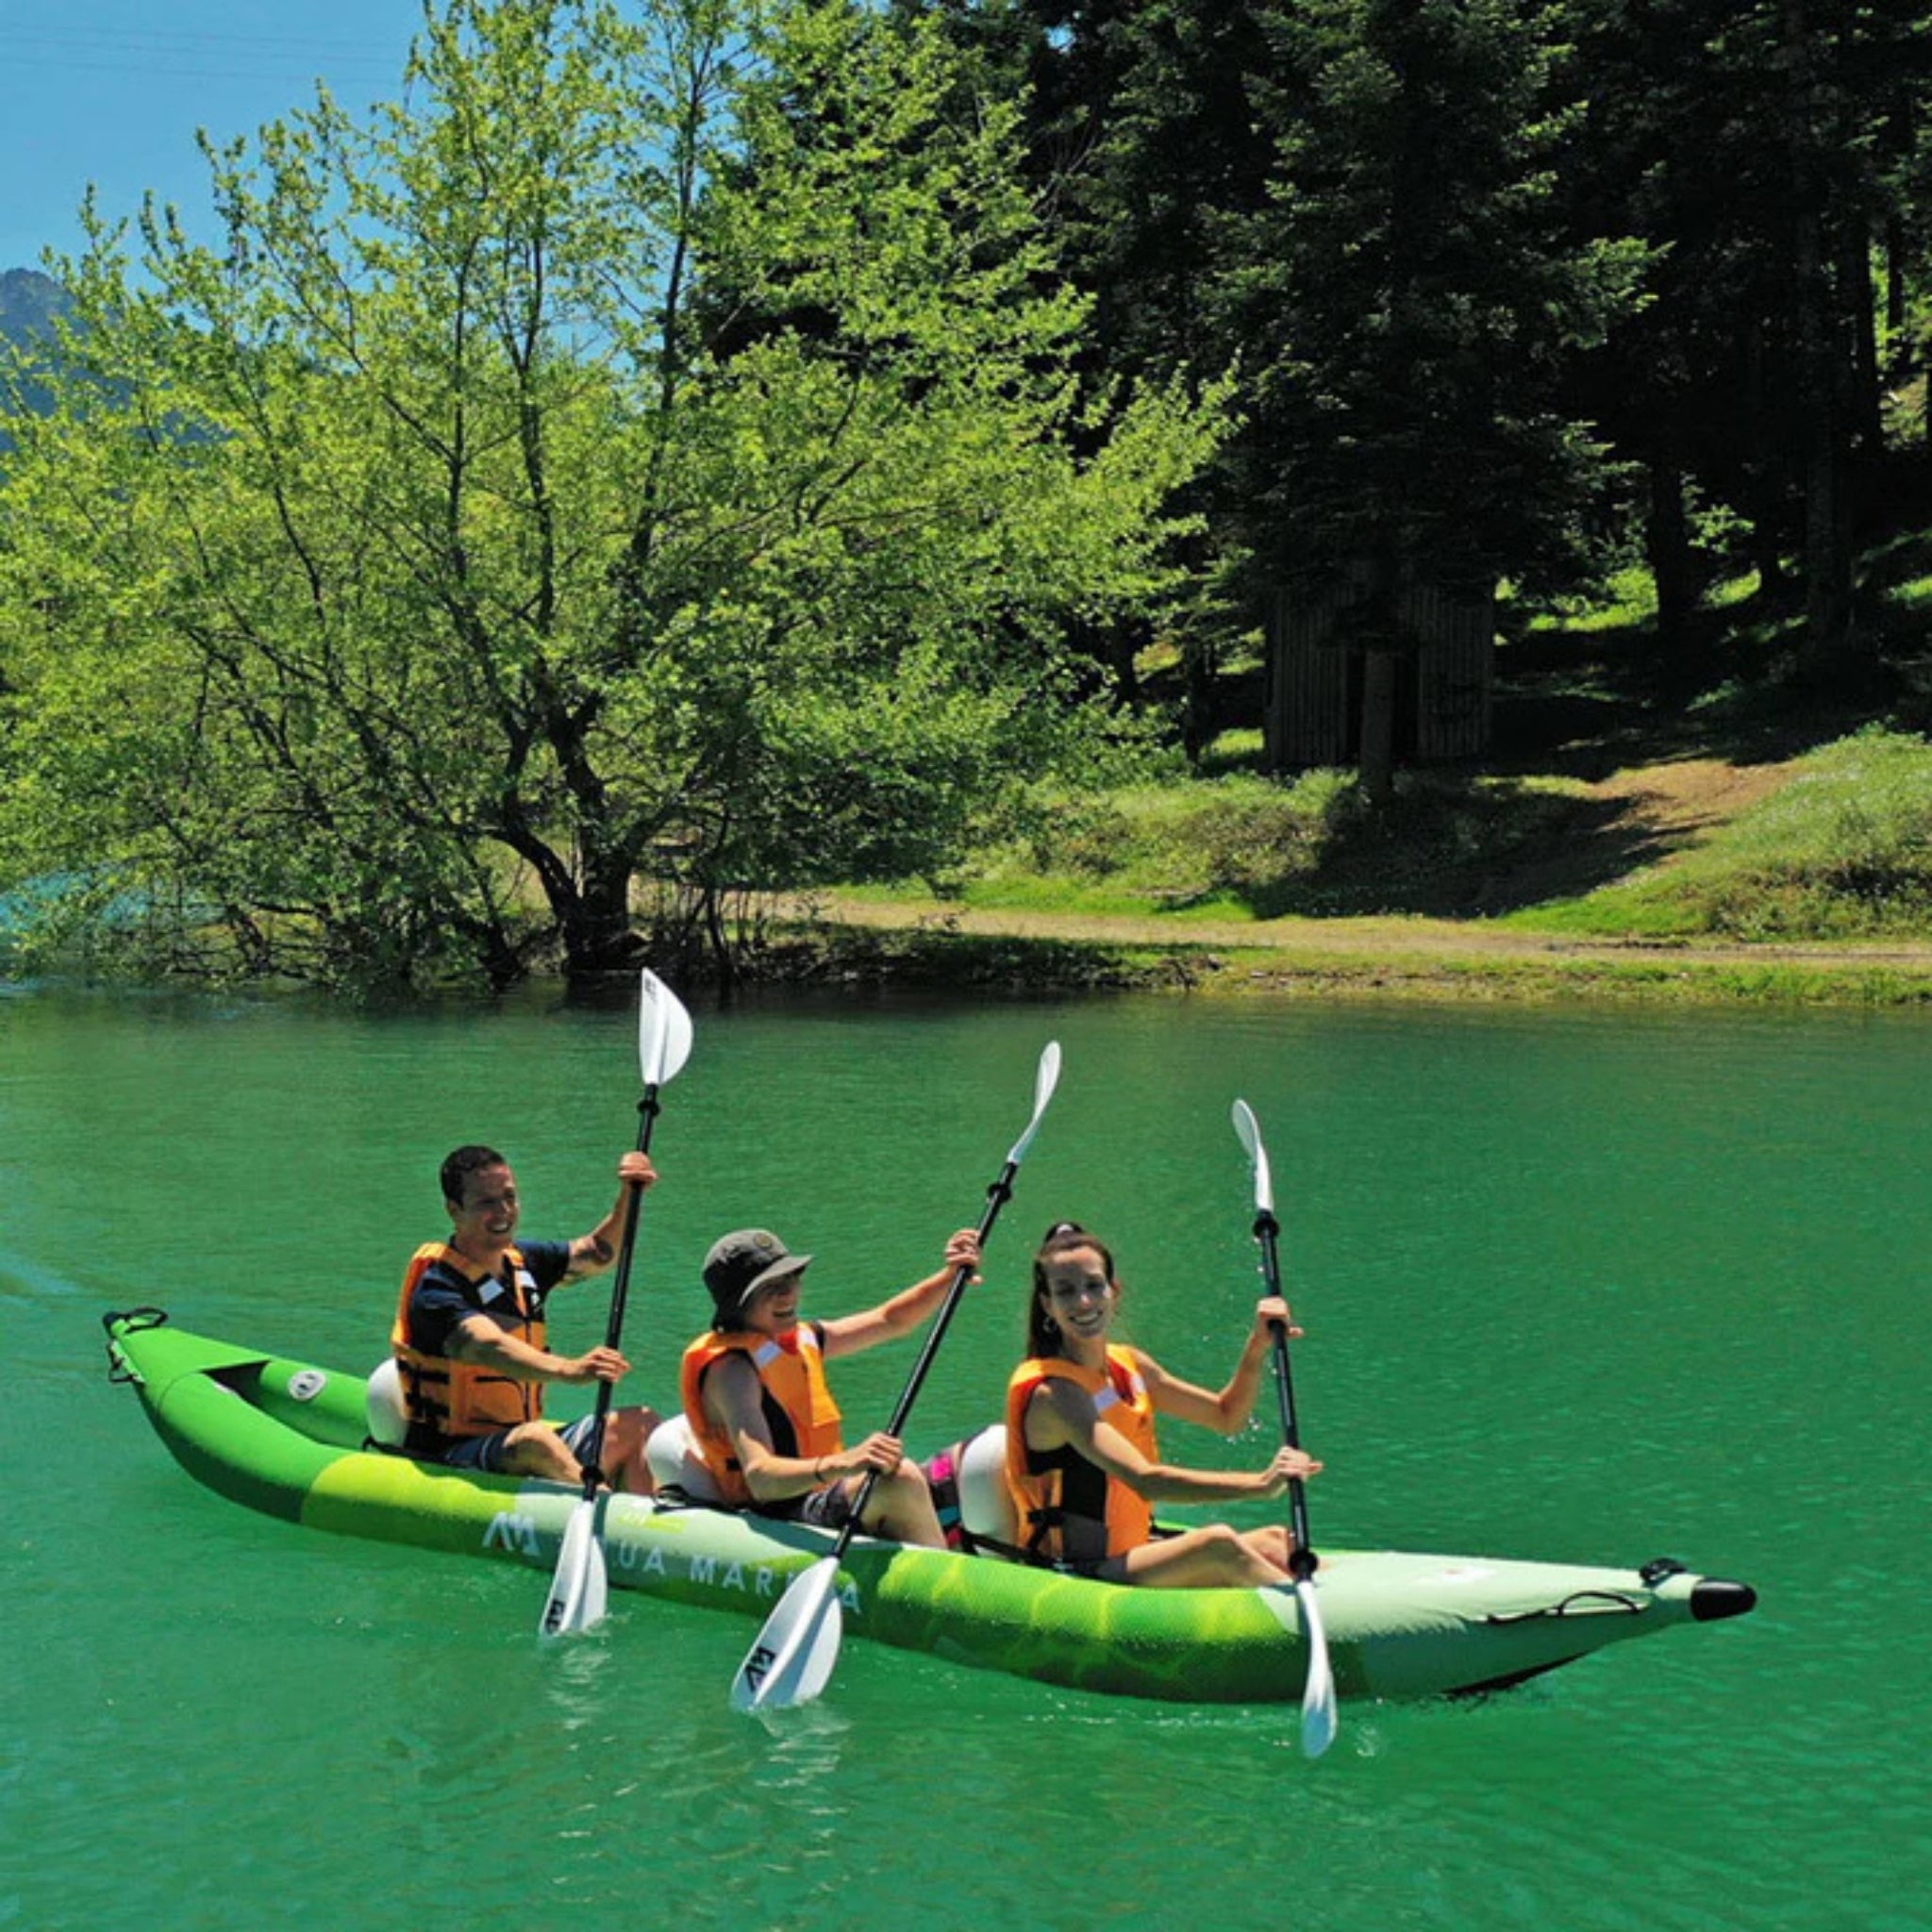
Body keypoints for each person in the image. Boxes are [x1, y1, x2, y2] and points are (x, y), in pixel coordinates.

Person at [1005, 1220, 1322, 1586]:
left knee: (1277, 1542)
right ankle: (1314, 1616)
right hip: (1080, 1571)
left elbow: (1226, 1416)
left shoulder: (1131, 1366)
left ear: (1114, 1291)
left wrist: (1257, 1346)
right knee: (1217, 1544)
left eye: (1093, 1285)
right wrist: (1261, 1484)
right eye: (1065, 1291)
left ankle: (1332, 1601)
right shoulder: (1054, 1394)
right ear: (1047, 1304)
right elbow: (1146, 1481)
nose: (1084, 1302)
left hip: (1135, 1548)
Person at [679, 1224, 982, 1547]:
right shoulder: (733, 1372)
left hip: (827, 1491)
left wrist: (949, 1276)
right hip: (781, 1515)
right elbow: (761, 1478)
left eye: (791, 1278)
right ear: (735, 1304)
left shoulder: (799, 1339)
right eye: (769, 1287)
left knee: (969, 1459)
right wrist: (846, 1463)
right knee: (900, 1477)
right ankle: (942, 1571)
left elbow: (890, 1320)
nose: (787, 1293)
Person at [390, 1143, 662, 1491]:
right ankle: (603, 1508)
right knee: (535, 1439)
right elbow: (489, 1345)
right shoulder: (436, 1289)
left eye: (509, 1197)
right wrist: (570, 1369)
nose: (503, 1211)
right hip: (454, 1453)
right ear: (454, 1210)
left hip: (517, 1440)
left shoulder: (524, 1263)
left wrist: (630, 1193)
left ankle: (641, 1515)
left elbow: (597, 1253)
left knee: (640, 1423)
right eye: (487, 1202)